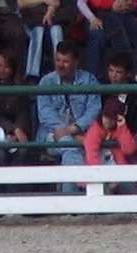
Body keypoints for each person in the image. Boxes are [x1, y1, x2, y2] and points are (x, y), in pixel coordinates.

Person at [35, 39, 100, 168]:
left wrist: (75, 128)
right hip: (53, 133)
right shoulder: (46, 82)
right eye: (57, 60)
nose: (60, 65)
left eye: (65, 61)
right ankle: (77, 179)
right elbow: (45, 114)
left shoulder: (89, 80)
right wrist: (68, 132)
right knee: (71, 148)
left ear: (76, 62)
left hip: (83, 133)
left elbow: (94, 110)